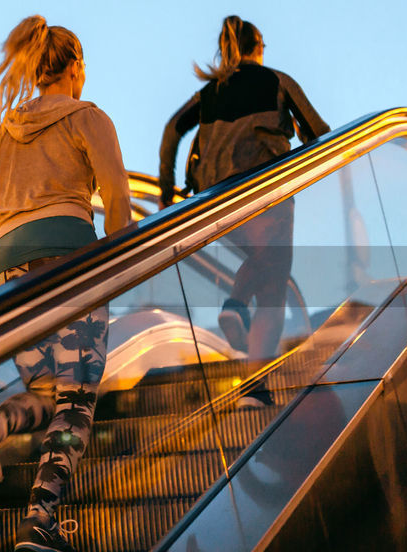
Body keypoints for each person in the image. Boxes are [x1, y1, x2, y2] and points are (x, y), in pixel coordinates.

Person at [0, 15, 131, 552]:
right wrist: (118, 264)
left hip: (4, 271)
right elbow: (119, 206)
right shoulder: (88, 117)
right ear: (75, 67)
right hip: (66, 263)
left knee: (45, 390)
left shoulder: (0, 133)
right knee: (75, 400)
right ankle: (40, 518)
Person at [157, 15, 329, 403]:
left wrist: (167, 189)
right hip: (265, 190)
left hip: (215, 199)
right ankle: (248, 357)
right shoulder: (275, 80)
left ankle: (248, 356)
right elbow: (320, 133)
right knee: (273, 285)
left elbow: (172, 130)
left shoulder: (210, 92)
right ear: (258, 47)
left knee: (266, 270)